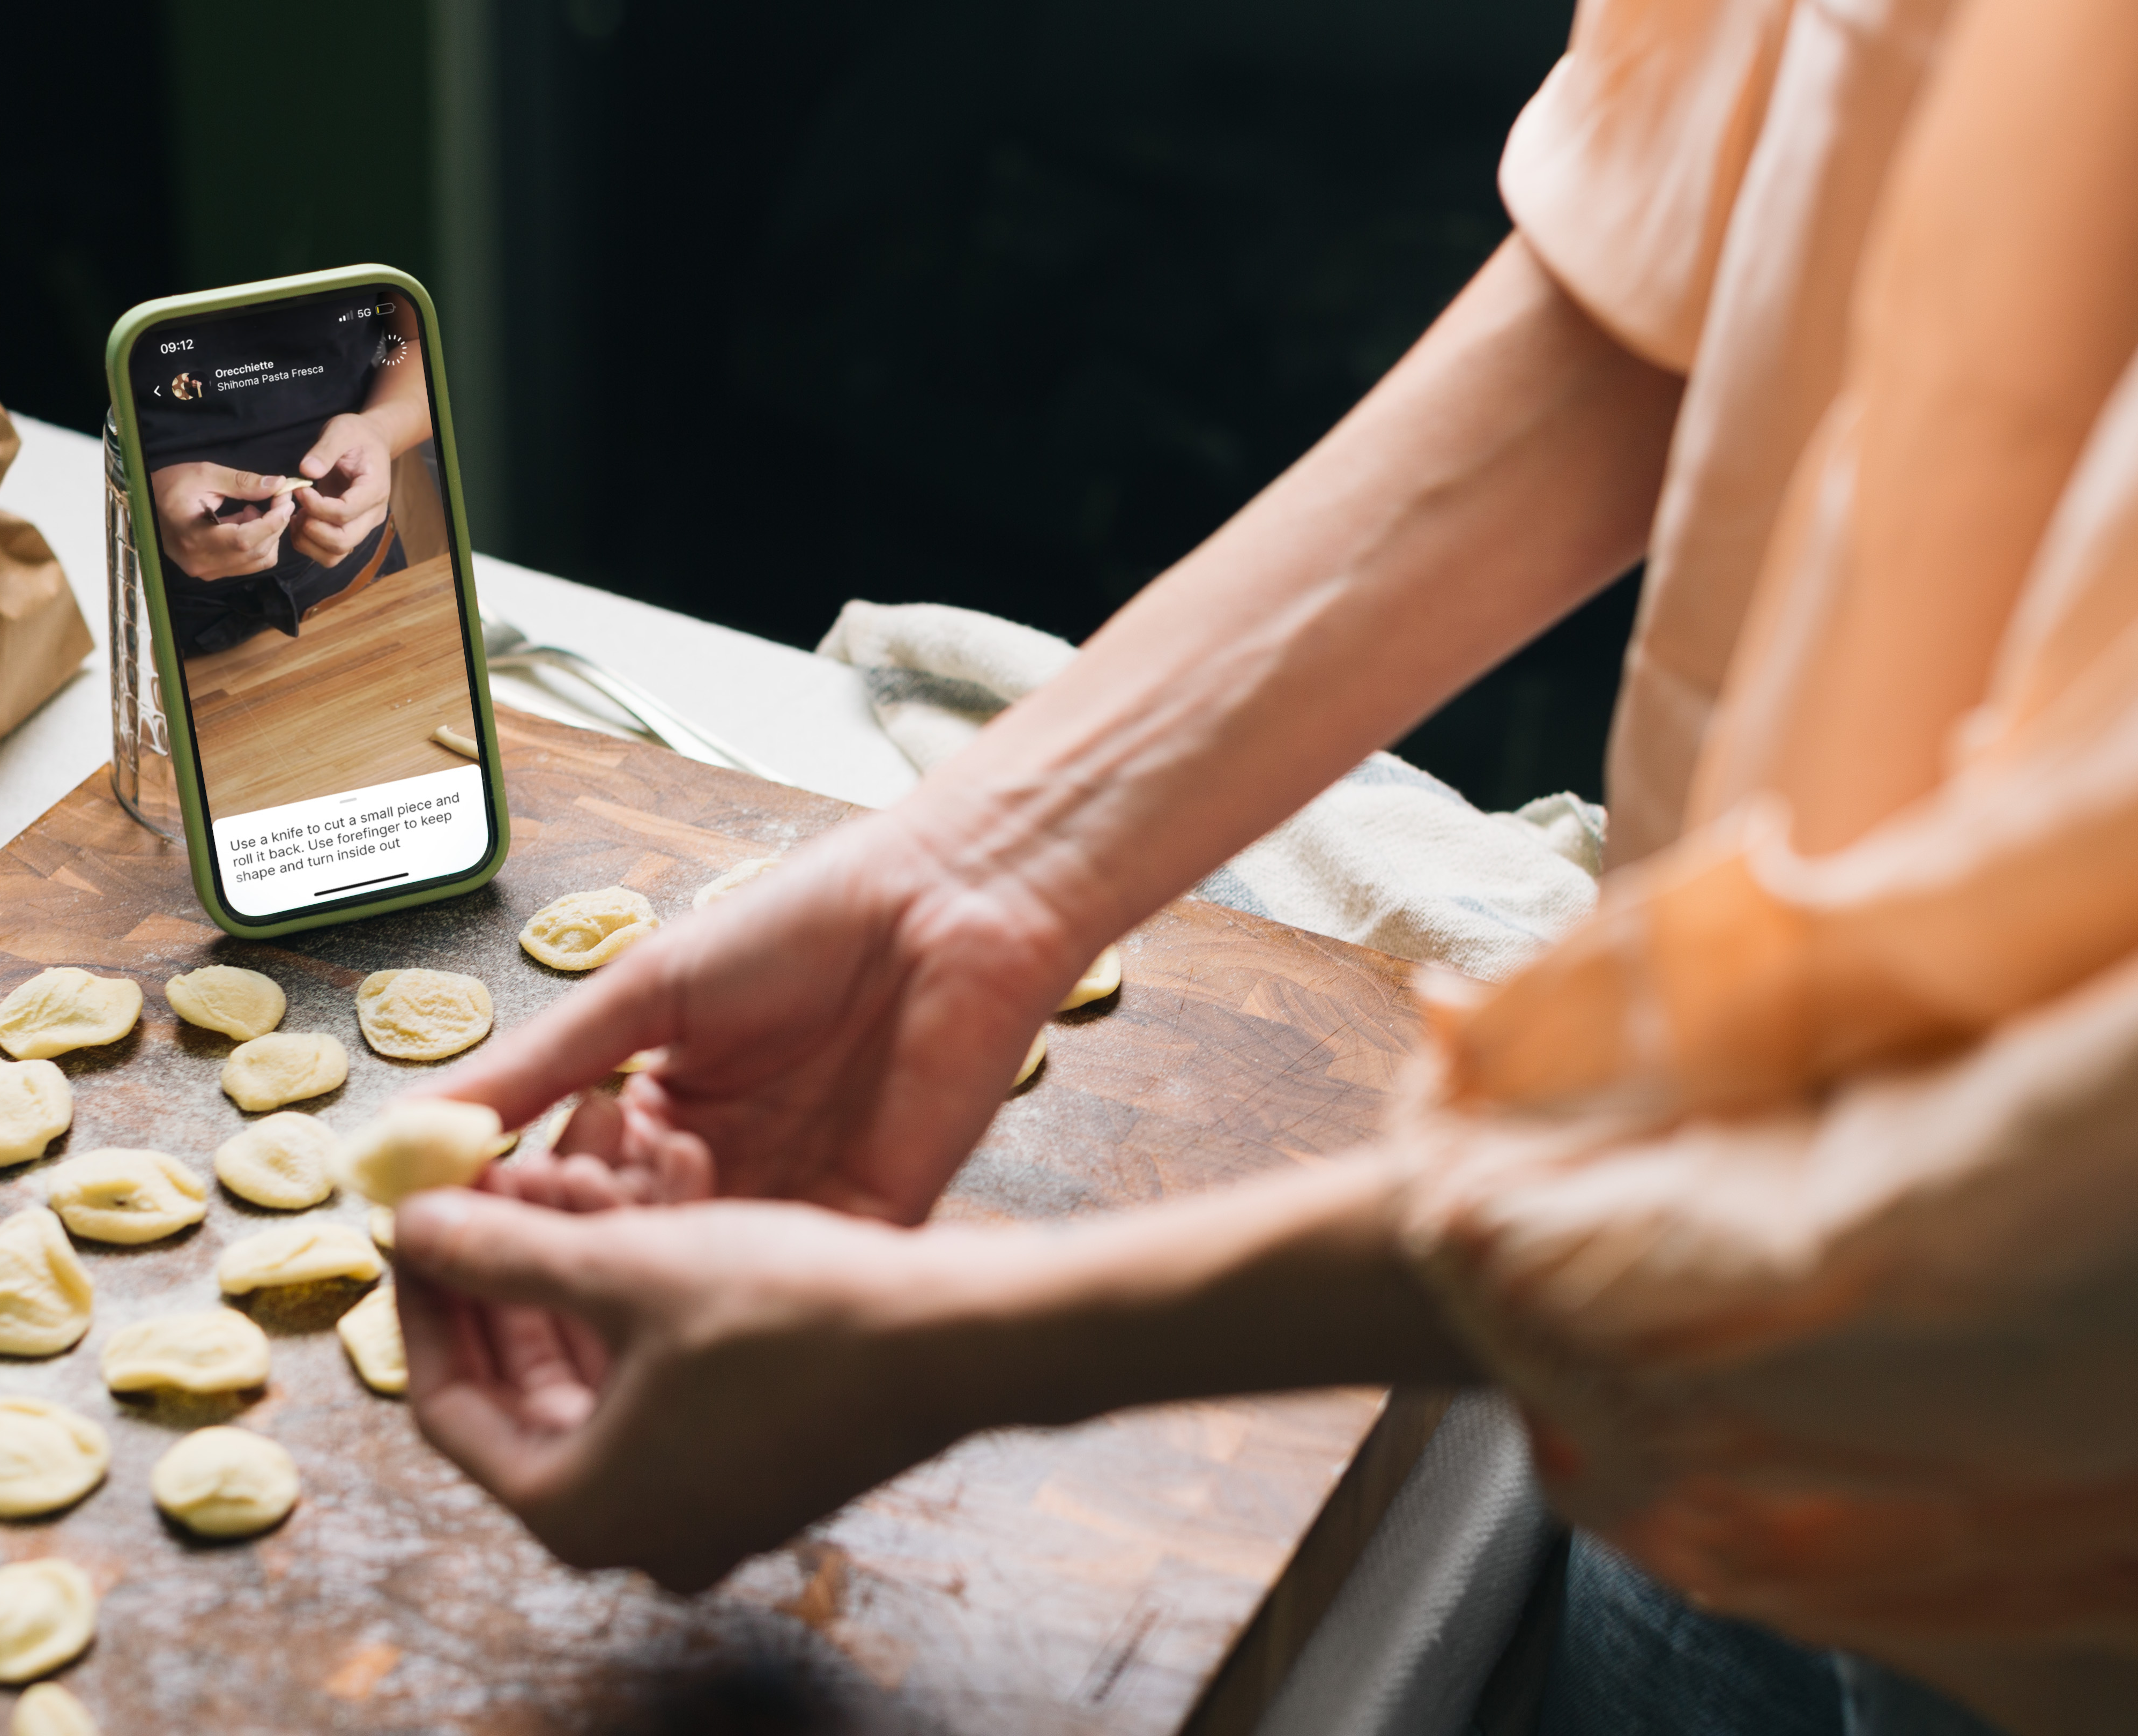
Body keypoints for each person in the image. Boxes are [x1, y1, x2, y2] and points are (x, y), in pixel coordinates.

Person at [382, 0, 2138, 1729]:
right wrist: (979, 861)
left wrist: (955, 1337)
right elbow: (1731, 197)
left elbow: (2028, 1217)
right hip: (1679, 1391)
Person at [132, 302, 432, 654]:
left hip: (359, 578)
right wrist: (142, 497)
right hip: (151, 609)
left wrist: (380, 431)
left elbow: (415, 341)